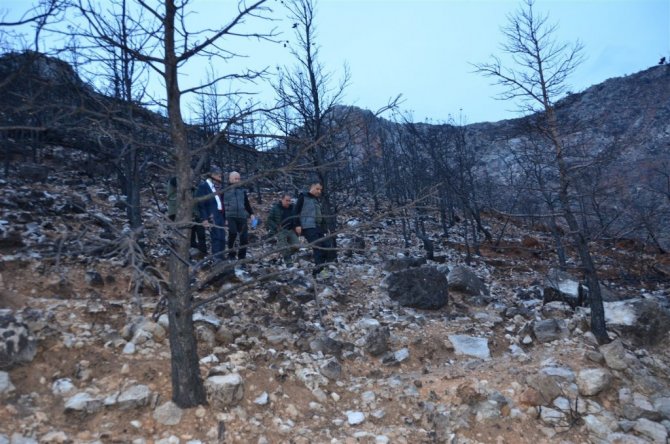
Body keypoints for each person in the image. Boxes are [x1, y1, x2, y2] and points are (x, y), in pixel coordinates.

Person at [294, 179, 336, 277]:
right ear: (312, 186)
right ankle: (318, 272)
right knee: (318, 248)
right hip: (308, 227)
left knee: (326, 247)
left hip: (318, 227)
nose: (319, 191)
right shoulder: (303, 197)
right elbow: (295, 212)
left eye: (320, 190)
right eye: (317, 189)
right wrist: (297, 225)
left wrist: (325, 228)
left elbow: (319, 214)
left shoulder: (315, 199)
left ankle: (321, 270)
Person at [167, 176, 207, 257]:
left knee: (194, 233)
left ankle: (198, 252)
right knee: (185, 234)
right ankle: (186, 253)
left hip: (190, 212)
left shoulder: (189, 184)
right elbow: (183, 188)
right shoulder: (175, 180)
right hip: (177, 211)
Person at [223, 171, 256, 261]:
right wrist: (224, 217)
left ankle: (242, 258)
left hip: (242, 216)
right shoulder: (224, 190)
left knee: (244, 238)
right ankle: (231, 255)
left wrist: (251, 214)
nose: (237, 180)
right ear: (230, 179)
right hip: (230, 216)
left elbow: (246, 203)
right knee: (233, 234)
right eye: (235, 179)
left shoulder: (242, 190)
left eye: (238, 179)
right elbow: (221, 205)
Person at [195, 166, 226, 262]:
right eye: (219, 176)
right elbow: (201, 204)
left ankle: (221, 256)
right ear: (213, 175)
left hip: (220, 214)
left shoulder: (216, 187)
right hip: (211, 215)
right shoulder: (203, 186)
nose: (220, 179)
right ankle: (216, 258)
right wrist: (204, 218)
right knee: (216, 237)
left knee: (222, 236)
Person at [266, 193, 300, 266]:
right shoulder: (275, 208)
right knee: (283, 245)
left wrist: (297, 226)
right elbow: (269, 220)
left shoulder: (293, 208)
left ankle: (285, 255)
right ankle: (288, 262)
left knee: (297, 246)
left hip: (291, 230)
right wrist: (276, 227)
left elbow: (297, 218)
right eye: (286, 200)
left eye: (289, 200)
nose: (288, 202)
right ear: (282, 200)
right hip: (281, 230)